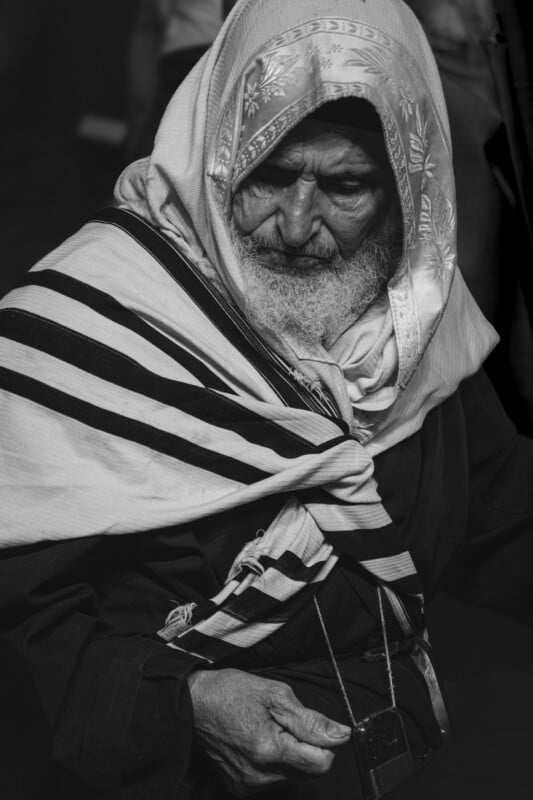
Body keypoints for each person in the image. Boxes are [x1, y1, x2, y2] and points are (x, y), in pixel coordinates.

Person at [1, 0, 532, 798]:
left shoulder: (411, 316)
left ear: (407, 186)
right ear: (212, 154)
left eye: (346, 185)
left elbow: (499, 518)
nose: (295, 223)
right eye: (268, 174)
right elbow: (24, 623)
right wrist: (178, 705)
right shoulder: (66, 333)